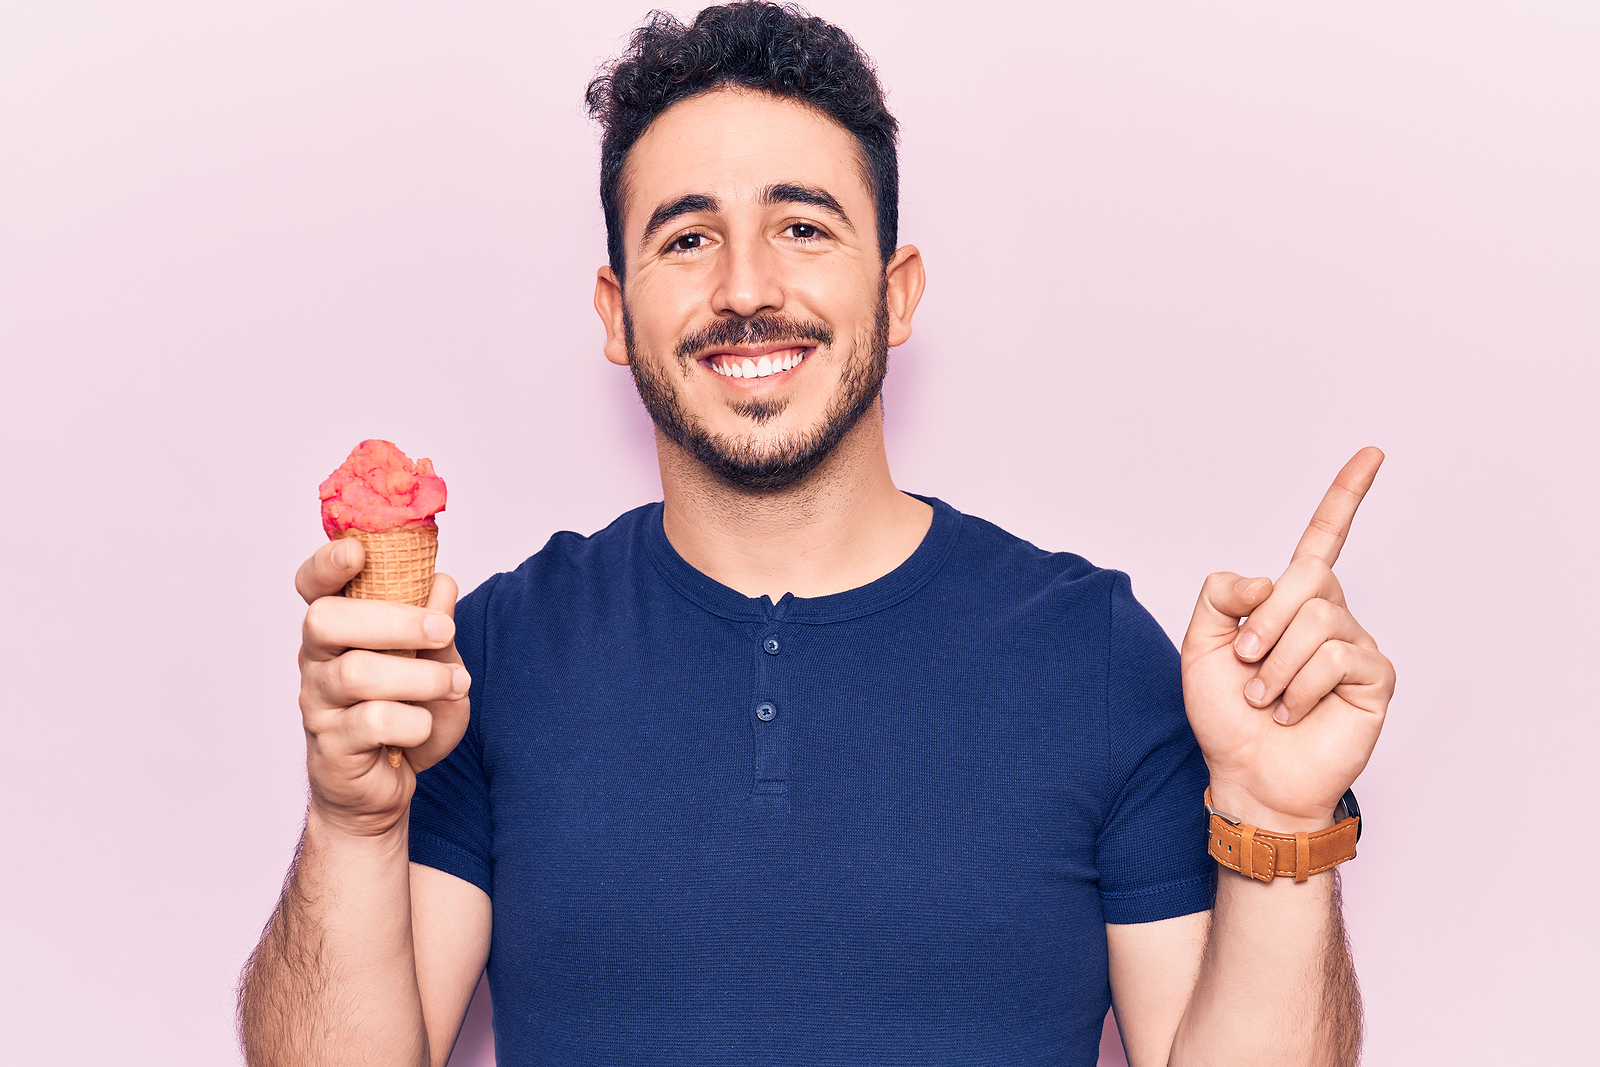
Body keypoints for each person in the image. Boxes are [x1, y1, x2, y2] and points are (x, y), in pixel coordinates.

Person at [239, 5, 1394, 1065]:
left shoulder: (1091, 650)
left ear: (895, 293)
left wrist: (1277, 821)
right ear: (615, 309)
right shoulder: (486, 652)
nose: (747, 287)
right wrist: (352, 817)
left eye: (802, 226)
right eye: (687, 239)